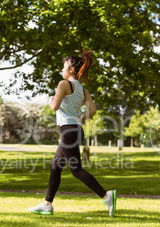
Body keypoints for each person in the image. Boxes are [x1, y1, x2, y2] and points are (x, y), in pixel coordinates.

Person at [29, 51, 116, 217]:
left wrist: (50, 100)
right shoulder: (82, 89)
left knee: (76, 170)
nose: (62, 70)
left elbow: (54, 106)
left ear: (71, 70)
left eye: (63, 67)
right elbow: (93, 110)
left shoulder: (63, 84)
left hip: (68, 130)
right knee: (55, 166)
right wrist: (80, 119)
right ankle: (47, 204)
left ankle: (106, 196)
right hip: (76, 130)